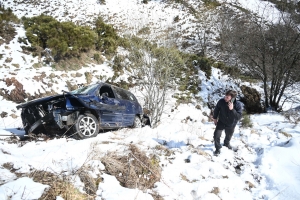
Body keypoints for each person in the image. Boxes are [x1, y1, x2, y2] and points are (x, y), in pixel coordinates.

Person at [212, 90, 242, 155]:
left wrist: (232, 109)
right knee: (216, 135)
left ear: (232, 98)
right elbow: (216, 109)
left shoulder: (237, 104)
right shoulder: (221, 101)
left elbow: (238, 117)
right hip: (221, 121)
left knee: (228, 136)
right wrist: (214, 118)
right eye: (225, 96)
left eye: (227, 97)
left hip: (231, 124)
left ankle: (226, 144)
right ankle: (217, 148)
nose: (225, 98)